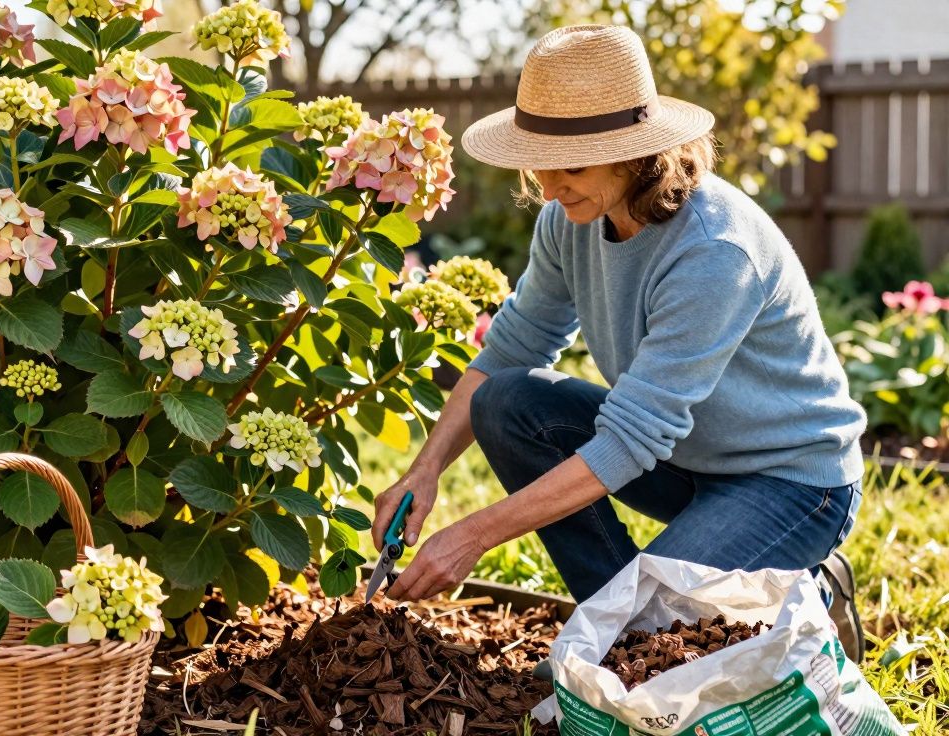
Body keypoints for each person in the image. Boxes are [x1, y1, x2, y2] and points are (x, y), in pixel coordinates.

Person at [370, 24, 868, 660]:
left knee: (656, 645)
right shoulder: (569, 218)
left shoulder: (714, 250)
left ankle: (809, 595)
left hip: (787, 482)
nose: (549, 190)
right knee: (509, 402)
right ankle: (625, 624)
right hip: (685, 462)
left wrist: (472, 535)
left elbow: (632, 438)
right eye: (539, 167)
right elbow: (509, 352)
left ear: (636, 153)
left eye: (571, 166)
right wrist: (426, 466)